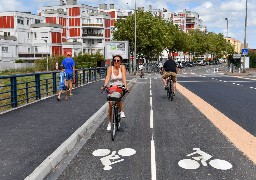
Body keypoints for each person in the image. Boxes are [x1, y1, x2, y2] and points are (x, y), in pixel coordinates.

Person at [101, 55, 128, 131]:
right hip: (111, 87)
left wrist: (126, 86)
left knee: (118, 97)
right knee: (110, 103)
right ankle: (109, 122)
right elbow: (108, 77)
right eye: (115, 60)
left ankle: (121, 111)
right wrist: (104, 85)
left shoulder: (122, 67)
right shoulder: (110, 68)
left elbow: (124, 77)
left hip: (120, 86)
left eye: (118, 60)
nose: (116, 62)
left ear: (120, 62)